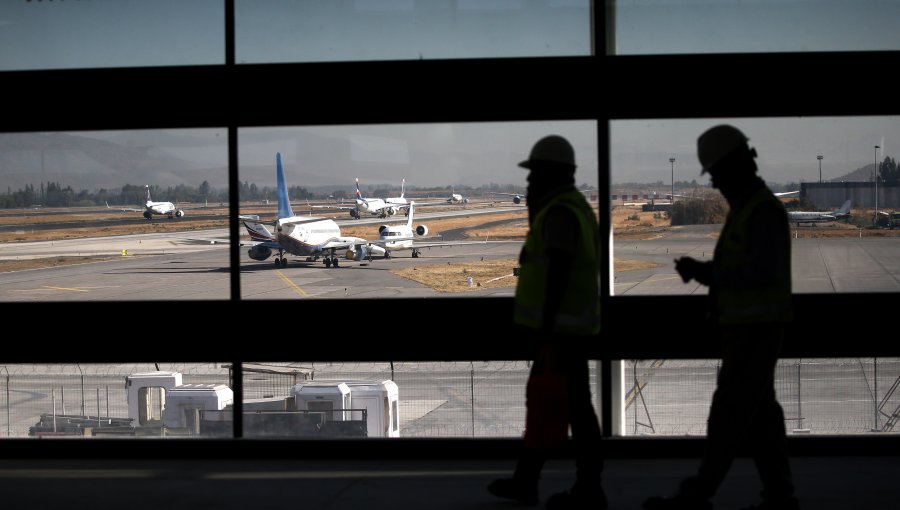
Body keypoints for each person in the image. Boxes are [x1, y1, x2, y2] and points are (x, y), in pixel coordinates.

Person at [643, 125, 797, 510]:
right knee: (762, 417)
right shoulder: (749, 210)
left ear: (734, 167)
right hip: (747, 329)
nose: (716, 183)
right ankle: (780, 495)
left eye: (716, 174)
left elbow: (759, 273)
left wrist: (705, 274)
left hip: (755, 331)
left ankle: (698, 494)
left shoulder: (761, 211)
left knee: (727, 416)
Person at [487, 135, 604, 509]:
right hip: (566, 329)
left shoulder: (558, 212)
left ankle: (587, 489)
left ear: (552, 174)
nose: (529, 182)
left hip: (560, 332)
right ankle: (529, 480)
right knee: (548, 404)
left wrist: (547, 329)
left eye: (535, 174)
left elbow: (557, 270)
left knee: (572, 411)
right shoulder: (569, 208)